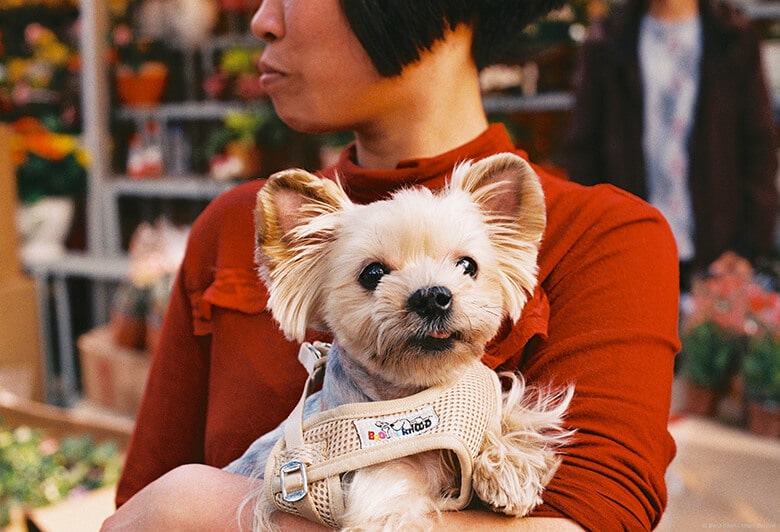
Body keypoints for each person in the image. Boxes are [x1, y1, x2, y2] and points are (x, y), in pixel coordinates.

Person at [104, 0, 680, 530]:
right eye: (373, 275)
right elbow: (132, 513)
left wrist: (206, 509)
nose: (262, 20)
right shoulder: (234, 228)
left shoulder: (605, 237)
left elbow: (591, 521)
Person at [564, 0, 778, 289]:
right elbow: (583, 151)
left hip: (719, 256)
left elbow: (759, 146)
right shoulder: (607, 42)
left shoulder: (734, 37)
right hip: (630, 253)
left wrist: (745, 247)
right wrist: (596, 242)